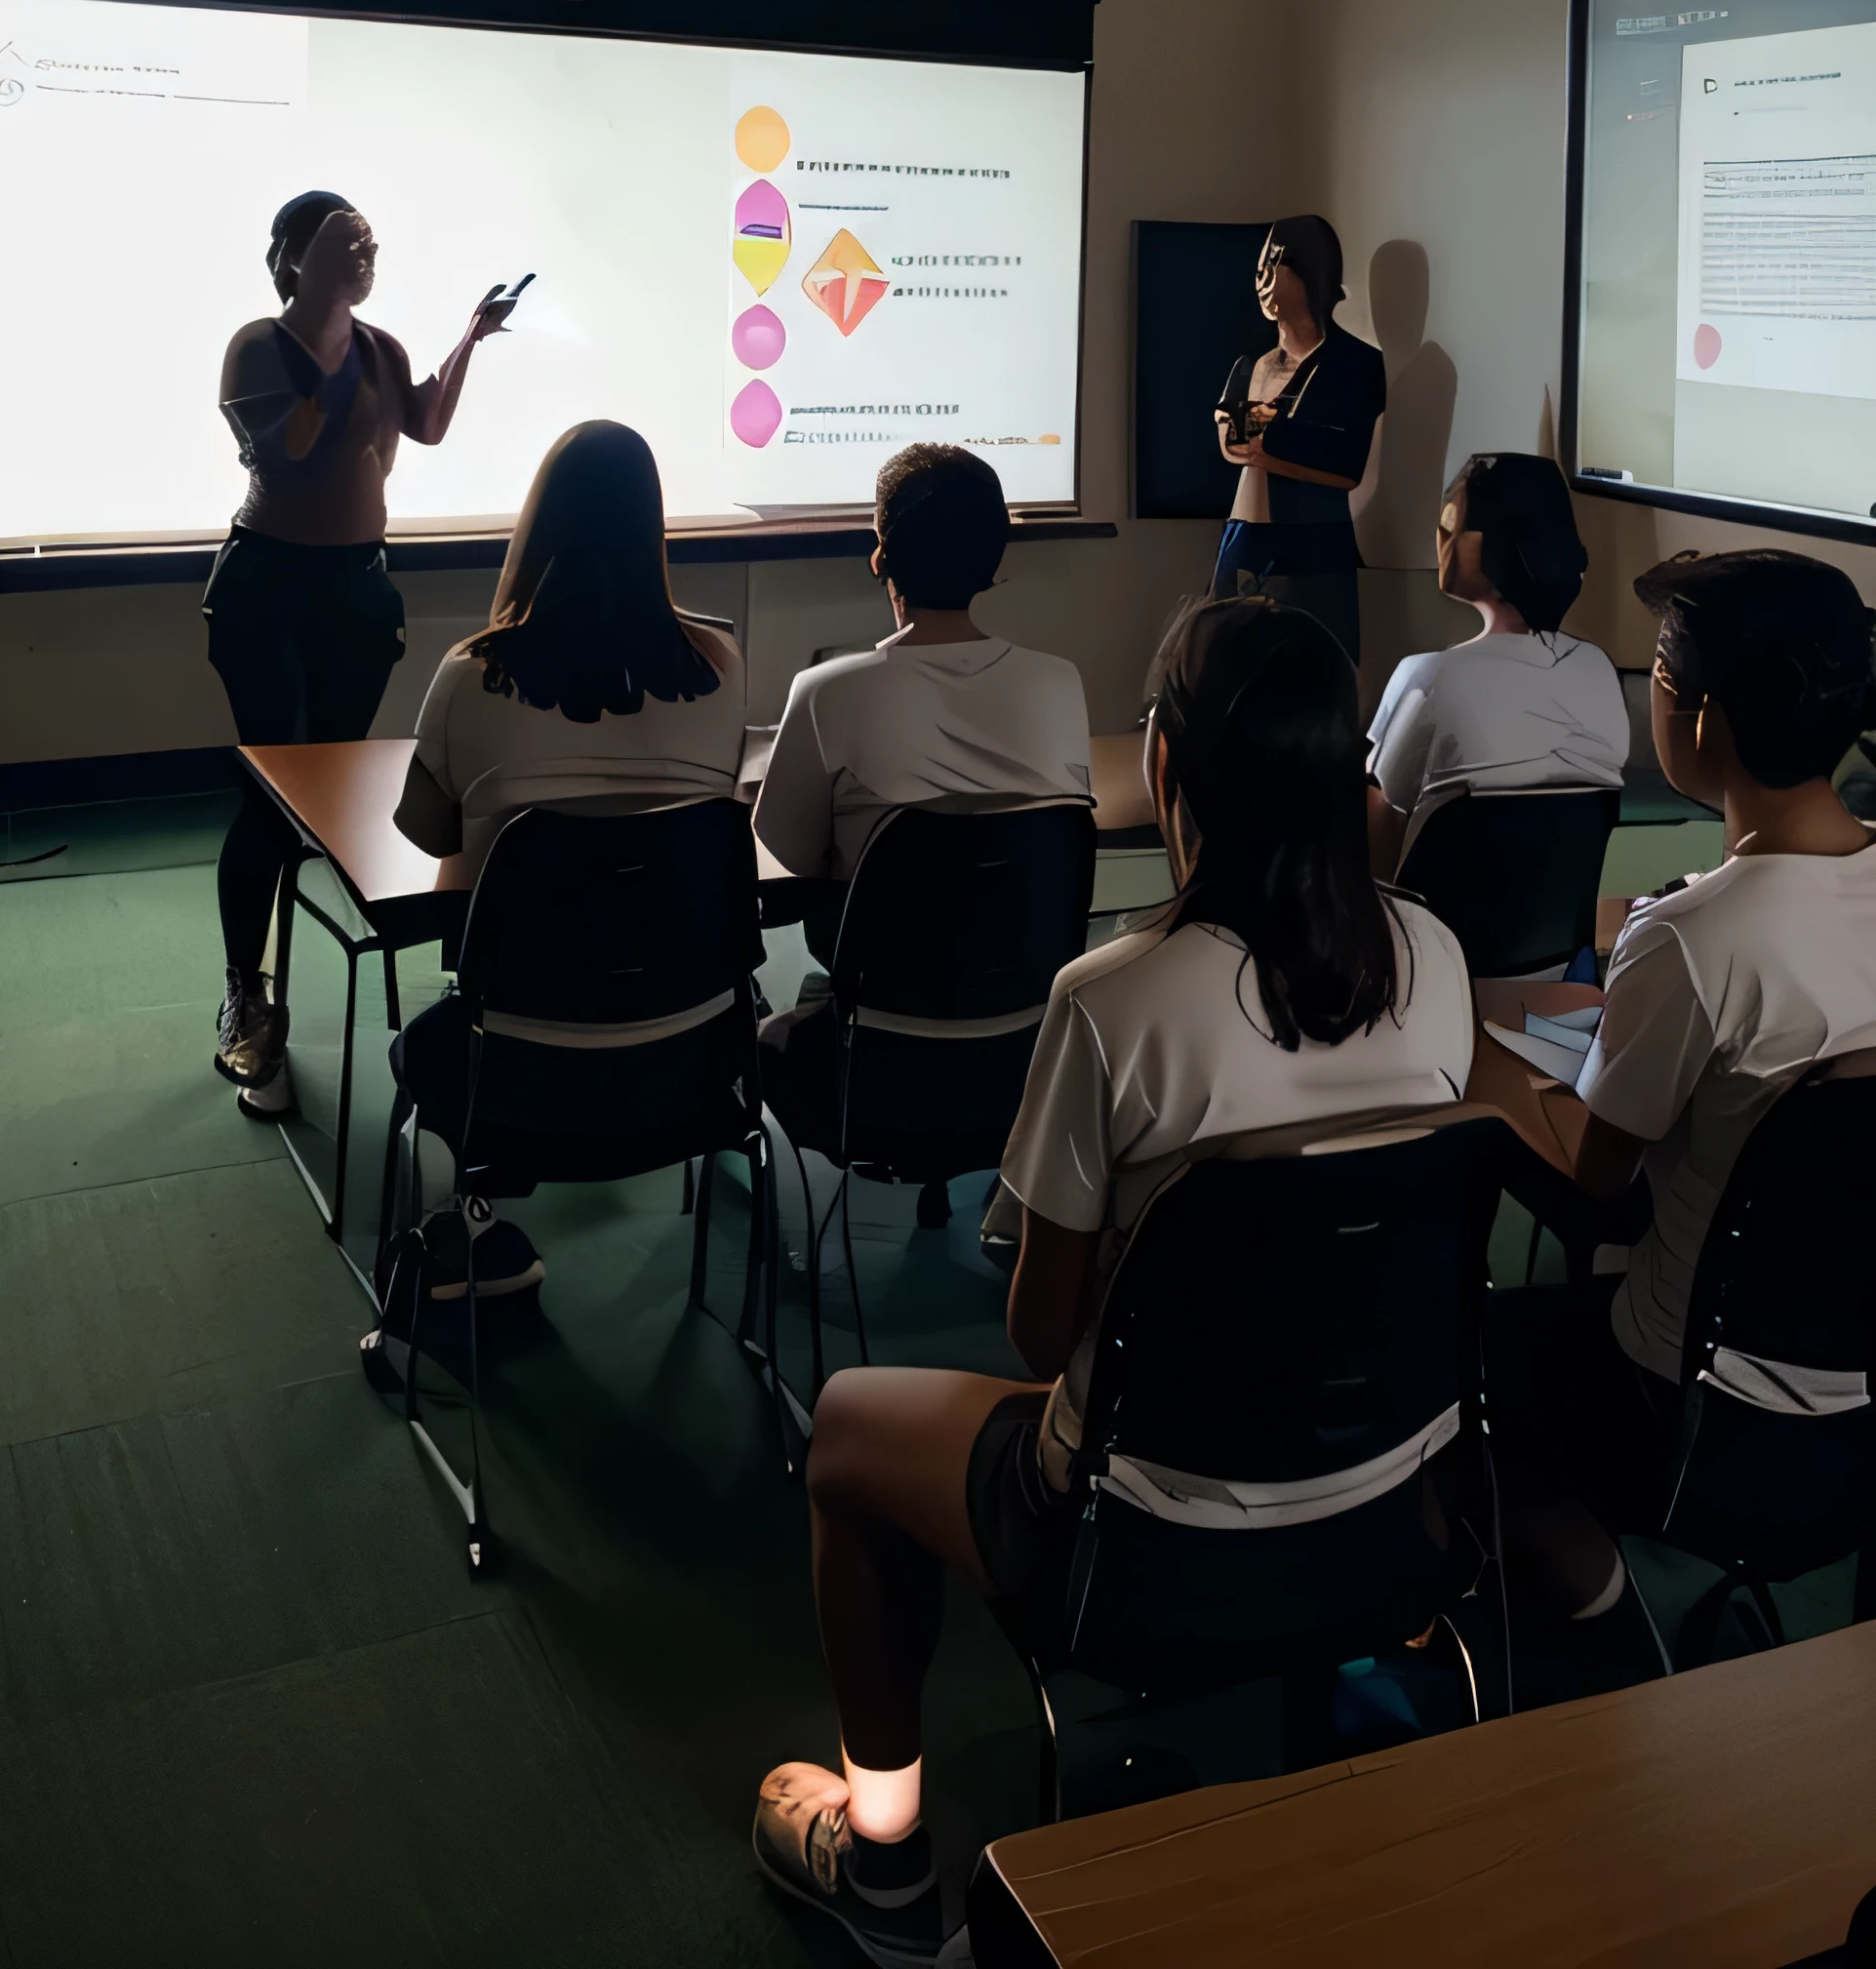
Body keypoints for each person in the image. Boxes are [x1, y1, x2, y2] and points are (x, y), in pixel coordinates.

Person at [752, 594, 1473, 1961]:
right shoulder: (1435, 959)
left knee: (848, 1425)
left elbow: (1040, 1332)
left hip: (1135, 1539)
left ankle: (885, 1851)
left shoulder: (1112, 998)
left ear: (1163, 766)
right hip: (1392, 1507)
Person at [1487, 548, 1876, 1629]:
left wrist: (1492, 1074)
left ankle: (1600, 1625)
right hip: (1859, 1403)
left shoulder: (1690, 938)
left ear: (1699, 725)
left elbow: (1597, 1169)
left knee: (1461, 1362)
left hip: (1691, 1410)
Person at [387, 420, 746, 1300]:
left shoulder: (471, 673)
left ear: (535, 529)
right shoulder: (723, 666)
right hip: (696, 1061)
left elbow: (430, 834)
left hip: (513, 1070)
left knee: (418, 1048)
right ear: (653, 529)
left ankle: (466, 1237)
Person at [207, 191, 514, 1109]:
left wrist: (468, 338)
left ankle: (305, 958)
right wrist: (331, 333)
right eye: (345, 242)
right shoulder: (258, 346)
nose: (364, 253)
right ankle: (244, 992)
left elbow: (424, 424)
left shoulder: (384, 347)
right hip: (267, 586)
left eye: (371, 242)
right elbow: (289, 454)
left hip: (354, 589)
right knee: (272, 792)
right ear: (294, 257)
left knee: (326, 793)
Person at [750, 443, 1091, 1143]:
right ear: (994, 560)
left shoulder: (825, 692)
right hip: (1031, 1057)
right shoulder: (1060, 683)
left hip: (868, 1060)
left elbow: (790, 852)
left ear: (881, 557)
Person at [1366, 452, 1628, 876]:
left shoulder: (1428, 678)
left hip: (1424, 930)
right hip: (1547, 939)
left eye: (1452, 518)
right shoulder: (1598, 670)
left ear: (1492, 544)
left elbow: (1381, 837)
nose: (1441, 534)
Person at [1214, 216, 1386, 664]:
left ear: (1312, 268)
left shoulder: (1358, 363)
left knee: (1313, 679)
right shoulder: (1253, 365)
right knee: (1230, 672)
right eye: (1257, 272)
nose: (1261, 282)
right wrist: (1273, 436)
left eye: (1272, 268)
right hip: (1244, 539)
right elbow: (1233, 445)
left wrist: (1261, 434)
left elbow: (1344, 466)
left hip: (1316, 546)